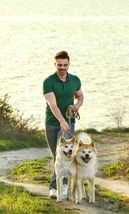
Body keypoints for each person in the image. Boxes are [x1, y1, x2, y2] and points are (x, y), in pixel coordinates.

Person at [43, 51, 84, 199]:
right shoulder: (48, 82)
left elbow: (80, 96)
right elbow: (52, 104)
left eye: (65, 65)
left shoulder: (75, 80)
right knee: (56, 155)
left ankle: (56, 186)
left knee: (64, 154)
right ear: (55, 64)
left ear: (68, 64)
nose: (62, 67)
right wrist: (61, 121)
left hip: (69, 122)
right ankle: (63, 182)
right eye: (59, 65)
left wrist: (77, 106)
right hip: (52, 123)